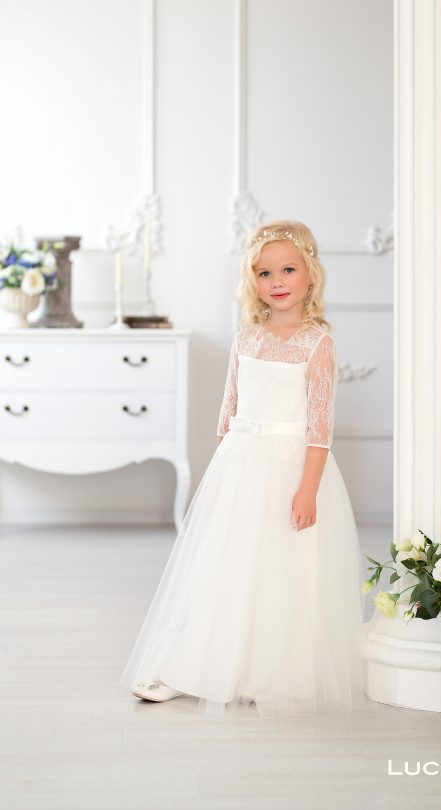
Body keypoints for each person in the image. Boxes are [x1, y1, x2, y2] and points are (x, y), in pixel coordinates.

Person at [119, 220, 366, 717]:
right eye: (264, 272)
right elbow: (227, 413)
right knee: (224, 568)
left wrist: (307, 490)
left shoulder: (317, 344)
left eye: (288, 269)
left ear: (310, 274)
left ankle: (265, 672)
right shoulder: (247, 338)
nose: (276, 281)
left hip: (289, 469)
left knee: (282, 572)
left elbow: (320, 428)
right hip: (241, 467)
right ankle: (192, 666)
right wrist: (221, 479)